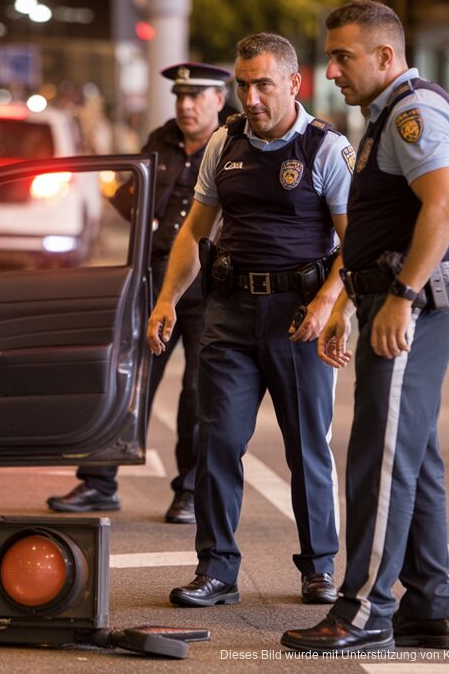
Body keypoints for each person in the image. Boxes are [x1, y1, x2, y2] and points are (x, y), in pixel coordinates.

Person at [282, 0, 449, 653]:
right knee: (413, 455)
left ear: (385, 56)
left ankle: (364, 610)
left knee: (380, 458)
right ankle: (431, 607)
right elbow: (381, 223)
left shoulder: (413, 112)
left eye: (343, 56)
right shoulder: (387, 113)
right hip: (391, 297)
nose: (331, 70)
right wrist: (348, 303)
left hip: (412, 301)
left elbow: (444, 207)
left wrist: (401, 297)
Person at [147, 34, 352, 608]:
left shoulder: (325, 147)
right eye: (243, 85)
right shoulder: (225, 141)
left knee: (306, 446)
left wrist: (328, 303)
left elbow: (354, 242)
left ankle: (319, 568)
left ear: (293, 83)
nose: (252, 97)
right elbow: (194, 231)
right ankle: (216, 571)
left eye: (263, 84)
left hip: (298, 318)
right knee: (216, 440)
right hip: (230, 314)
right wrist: (167, 300)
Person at [46, 62, 232, 524]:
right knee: (128, 379)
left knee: (199, 393)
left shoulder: (233, 143)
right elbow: (131, 196)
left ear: (218, 100)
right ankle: (99, 483)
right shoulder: (161, 140)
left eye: (195, 97)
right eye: (180, 97)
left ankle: (190, 492)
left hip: (210, 285)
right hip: (158, 279)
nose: (185, 106)